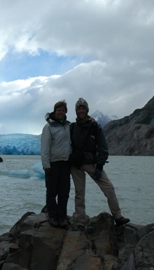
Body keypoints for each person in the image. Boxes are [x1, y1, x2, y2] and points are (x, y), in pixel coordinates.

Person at [69, 97, 130, 228]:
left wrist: (100, 165)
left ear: (87, 110)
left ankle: (117, 215)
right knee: (79, 193)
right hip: (76, 165)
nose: (81, 111)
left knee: (109, 188)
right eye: (79, 108)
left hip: (93, 163)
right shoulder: (72, 127)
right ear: (76, 111)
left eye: (83, 108)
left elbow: (103, 147)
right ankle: (80, 219)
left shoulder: (95, 127)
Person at [40, 100, 72, 228]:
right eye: (59, 110)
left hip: (65, 163)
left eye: (63, 110)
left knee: (64, 192)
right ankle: (52, 216)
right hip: (53, 163)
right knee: (52, 191)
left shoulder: (68, 126)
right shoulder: (48, 127)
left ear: (65, 112)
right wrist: (46, 164)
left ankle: (62, 216)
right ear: (55, 111)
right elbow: (45, 147)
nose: (61, 112)